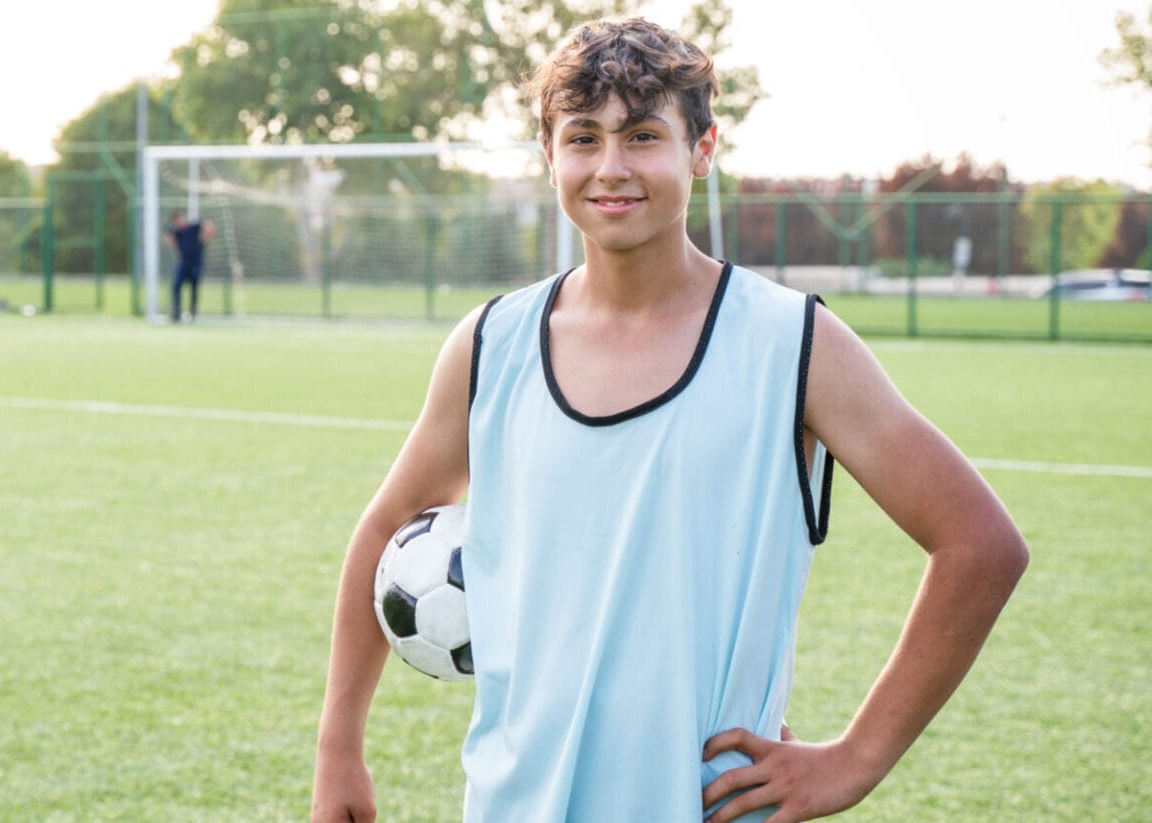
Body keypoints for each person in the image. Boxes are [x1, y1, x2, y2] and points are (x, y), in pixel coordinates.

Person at [311, 18, 1028, 823]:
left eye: (643, 134)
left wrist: (855, 758)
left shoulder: (790, 342)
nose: (611, 167)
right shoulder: (490, 347)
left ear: (702, 149)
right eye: (583, 137)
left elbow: (980, 543)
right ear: (549, 156)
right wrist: (339, 747)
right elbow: (384, 529)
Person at [165, 211, 213, 323]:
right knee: (176, 286)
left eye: (180, 218)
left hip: (196, 262)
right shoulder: (176, 231)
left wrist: (206, 238)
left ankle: (193, 313)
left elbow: (209, 227)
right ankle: (176, 314)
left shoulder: (193, 227)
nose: (179, 222)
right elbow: (169, 242)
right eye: (176, 220)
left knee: (194, 288)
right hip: (183, 264)